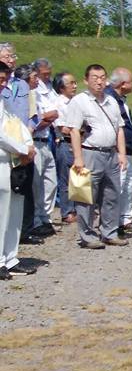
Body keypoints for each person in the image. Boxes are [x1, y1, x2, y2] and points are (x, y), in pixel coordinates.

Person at [64, 64, 128, 249]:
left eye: (102, 77)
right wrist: (78, 157)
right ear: (86, 80)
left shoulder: (111, 100)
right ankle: (88, 235)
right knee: (87, 196)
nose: (99, 81)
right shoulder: (79, 101)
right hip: (90, 153)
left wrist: (121, 153)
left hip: (111, 153)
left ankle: (109, 232)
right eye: (95, 78)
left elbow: (119, 128)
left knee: (112, 194)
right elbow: (74, 130)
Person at [0, 62, 38, 278]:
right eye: (0, 79)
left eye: (6, 79)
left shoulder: (3, 101)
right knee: (1, 213)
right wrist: (23, 148)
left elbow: (15, 123)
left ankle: (10, 258)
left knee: (14, 210)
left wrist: (26, 146)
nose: (3, 84)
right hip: (4, 159)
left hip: (12, 161)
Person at [106, 67, 132, 235]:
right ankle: (112, 222)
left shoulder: (120, 99)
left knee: (128, 184)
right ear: (122, 84)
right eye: (131, 81)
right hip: (117, 151)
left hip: (127, 150)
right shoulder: (110, 99)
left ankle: (125, 218)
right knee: (118, 185)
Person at [30, 58, 60, 238]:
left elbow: (54, 113)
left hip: (47, 138)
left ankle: (46, 217)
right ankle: (36, 220)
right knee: (37, 184)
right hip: (35, 138)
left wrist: (49, 117)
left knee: (51, 182)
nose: (47, 76)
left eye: (49, 73)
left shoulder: (49, 87)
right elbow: (38, 118)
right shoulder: (34, 91)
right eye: (43, 74)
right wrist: (47, 117)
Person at [52, 72, 78, 225]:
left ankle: (79, 208)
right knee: (66, 179)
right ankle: (67, 211)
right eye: (71, 83)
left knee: (78, 177)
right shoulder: (59, 104)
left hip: (78, 142)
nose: (75, 86)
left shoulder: (75, 101)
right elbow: (63, 128)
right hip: (65, 142)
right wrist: (79, 130)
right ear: (61, 87)